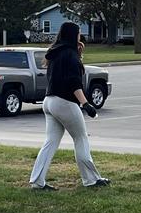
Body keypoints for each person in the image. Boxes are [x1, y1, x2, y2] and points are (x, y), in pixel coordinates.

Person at [29, 21, 110, 190]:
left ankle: (37, 181)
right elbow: (73, 82)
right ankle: (91, 180)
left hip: (49, 102)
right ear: (73, 35)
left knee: (50, 142)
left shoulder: (55, 53)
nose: (80, 35)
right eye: (79, 32)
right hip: (64, 102)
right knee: (80, 138)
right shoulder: (70, 55)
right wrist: (85, 103)